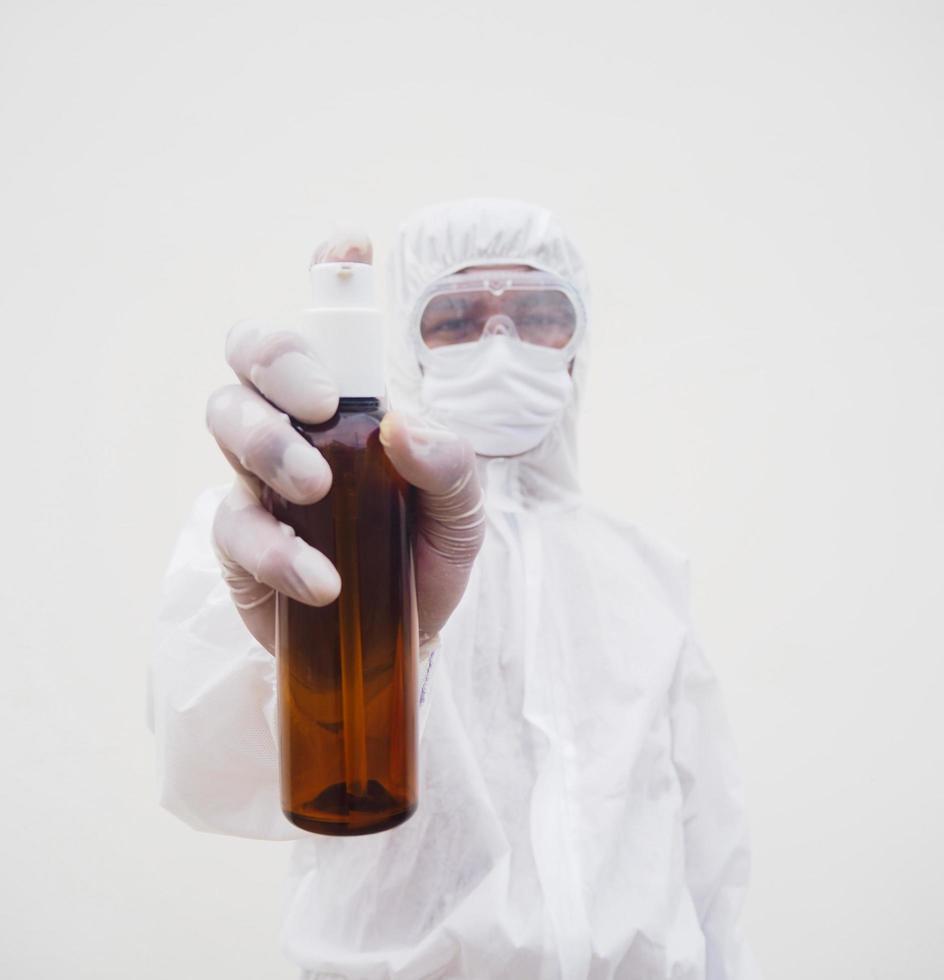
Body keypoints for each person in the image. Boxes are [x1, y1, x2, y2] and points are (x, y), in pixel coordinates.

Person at [149, 198, 761, 979]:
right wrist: (292, 649)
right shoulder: (313, 521)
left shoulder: (642, 574)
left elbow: (709, 845)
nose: (498, 342)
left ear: (578, 344)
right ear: (405, 341)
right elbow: (204, 776)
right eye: (456, 317)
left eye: (541, 313)